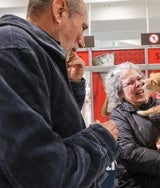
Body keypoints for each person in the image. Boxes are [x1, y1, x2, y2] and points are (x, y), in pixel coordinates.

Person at [0, 0, 119, 187]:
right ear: (59, 10)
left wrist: (73, 86)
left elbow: (51, 125)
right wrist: (101, 139)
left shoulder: (31, 52)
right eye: (82, 27)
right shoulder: (15, 48)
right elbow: (41, 172)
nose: (81, 41)